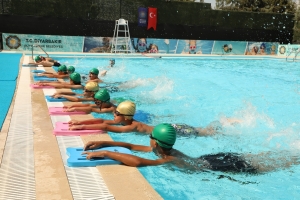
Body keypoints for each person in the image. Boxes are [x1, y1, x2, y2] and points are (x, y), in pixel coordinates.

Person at [82, 123, 300, 173]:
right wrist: (106, 142)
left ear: (155, 142)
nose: (147, 140)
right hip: (210, 158)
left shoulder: (167, 158)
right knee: (261, 159)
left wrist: (104, 154)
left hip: (216, 165)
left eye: (150, 138)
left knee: (264, 166)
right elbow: (130, 145)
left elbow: (139, 162)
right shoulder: (162, 151)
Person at [68, 101, 240, 137]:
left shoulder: (131, 126)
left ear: (125, 116)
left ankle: (226, 124)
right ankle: (224, 123)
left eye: (116, 113)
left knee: (205, 133)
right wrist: (81, 122)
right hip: (167, 127)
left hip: (174, 129)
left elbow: (109, 127)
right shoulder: (126, 121)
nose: (113, 115)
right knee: (204, 130)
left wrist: (82, 128)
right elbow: (103, 122)